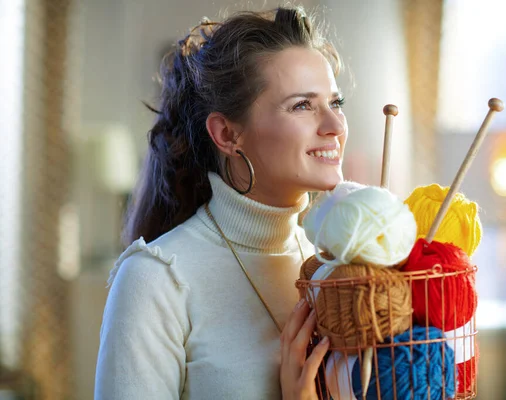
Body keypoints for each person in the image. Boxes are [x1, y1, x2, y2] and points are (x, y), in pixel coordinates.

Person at [94, 6, 348, 400]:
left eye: (336, 102)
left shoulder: (334, 264)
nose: (335, 127)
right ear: (228, 134)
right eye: (302, 105)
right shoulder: (156, 280)